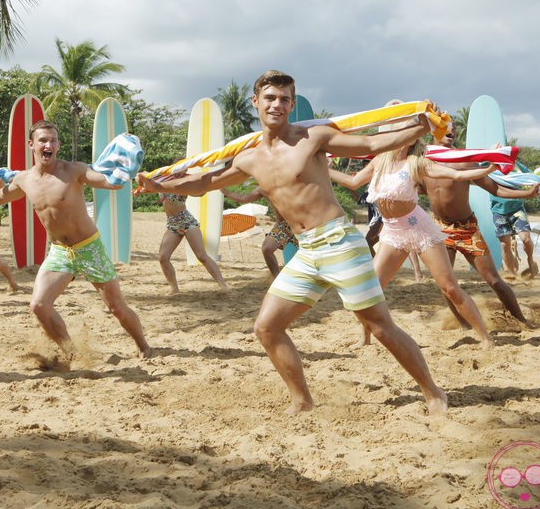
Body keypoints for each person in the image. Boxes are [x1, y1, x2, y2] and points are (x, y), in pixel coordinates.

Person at [138, 70, 448, 415]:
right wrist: (160, 187)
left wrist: (424, 124)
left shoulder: (312, 137)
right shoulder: (249, 157)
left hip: (340, 243)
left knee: (380, 328)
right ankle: (303, 402)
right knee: (267, 328)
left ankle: (434, 393)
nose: (277, 104)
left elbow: (373, 145)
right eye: (270, 98)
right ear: (255, 102)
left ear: (291, 104)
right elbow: (205, 183)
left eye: (285, 99)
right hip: (306, 250)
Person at [0, 120, 150, 359]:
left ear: (58, 145)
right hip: (59, 252)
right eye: (43, 140)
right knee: (39, 305)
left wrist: (126, 170)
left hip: (89, 248)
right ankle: (72, 353)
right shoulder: (24, 179)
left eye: (53, 140)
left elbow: (109, 183)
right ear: (31, 145)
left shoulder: (74, 170)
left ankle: (144, 347)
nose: (49, 145)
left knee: (116, 307)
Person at [329, 134, 498, 349]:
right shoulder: (380, 161)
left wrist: (488, 167)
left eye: (411, 131)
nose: (406, 133)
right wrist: (324, 169)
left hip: (419, 229)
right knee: (369, 289)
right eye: (402, 129)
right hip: (392, 232)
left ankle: (485, 337)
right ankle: (365, 338)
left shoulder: (417, 162)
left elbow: (455, 174)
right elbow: (353, 181)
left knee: (450, 288)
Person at [421, 124, 540, 324]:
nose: (452, 132)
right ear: (432, 130)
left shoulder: (464, 162)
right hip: (440, 228)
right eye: (445, 127)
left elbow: (496, 189)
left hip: (467, 229)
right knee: (445, 285)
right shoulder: (421, 162)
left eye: (454, 129)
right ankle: (465, 326)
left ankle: (522, 321)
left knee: (494, 280)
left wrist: (526, 194)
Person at [157, 192, 229, 294]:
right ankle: (174, 289)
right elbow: (148, 186)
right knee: (163, 258)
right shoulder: (160, 180)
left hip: (188, 223)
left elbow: (198, 193)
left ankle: (223, 286)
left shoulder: (178, 183)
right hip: (172, 225)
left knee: (201, 256)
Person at [221, 186, 297, 277]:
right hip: (283, 225)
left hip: (301, 222)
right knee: (267, 248)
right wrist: (224, 190)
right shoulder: (263, 187)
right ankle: (276, 277)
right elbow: (243, 198)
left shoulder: (291, 182)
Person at [489, 193, 538, 279]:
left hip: (517, 210)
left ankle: (530, 260)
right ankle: (512, 273)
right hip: (498, 212)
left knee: (526, 239)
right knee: (504, 245)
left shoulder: (516, 178)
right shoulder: (489, 178)